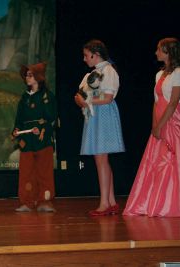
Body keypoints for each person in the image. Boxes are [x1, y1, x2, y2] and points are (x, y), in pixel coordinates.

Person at [123, 37, 180, 217]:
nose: (156, 52)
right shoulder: (159, 74)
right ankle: (156, 201)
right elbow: (156, 103)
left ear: (168, 52)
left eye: (159, 49)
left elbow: (173, 103)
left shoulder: (179, 72)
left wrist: (161, 125)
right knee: (156, 162)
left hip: (174, 121)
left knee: (174, 162)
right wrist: (154, 125)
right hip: (160, 120)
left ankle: (177, 202)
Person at [74, 39, 125, 216]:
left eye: (86, 55)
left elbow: (108, 98)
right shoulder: (91, 75)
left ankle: (105, 203)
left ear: (95, 55)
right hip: (95, 116)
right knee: (101, 159)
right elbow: (79, 95)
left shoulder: (108, 71)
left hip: (104, 115)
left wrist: (86, 100)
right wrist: (80, 100)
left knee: (101, 159)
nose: (84, 59)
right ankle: (110, 201)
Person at [12, 62, 57, 212]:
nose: (27, 78)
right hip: (26, 141)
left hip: (43, 140)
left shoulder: (47, 97)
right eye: (26, 75)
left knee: (44, 171)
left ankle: (45, 201)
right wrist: (16, 130)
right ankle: (27, 202)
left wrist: (42, 129)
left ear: (38, 77)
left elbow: (52, 119)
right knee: (26, 172)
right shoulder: (24, 98)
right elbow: (19, 119)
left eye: (30, 75)